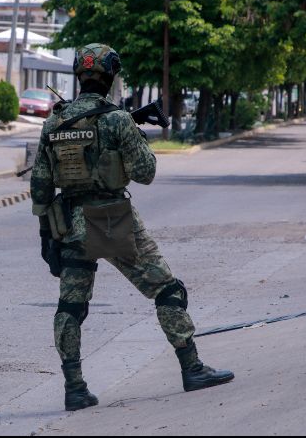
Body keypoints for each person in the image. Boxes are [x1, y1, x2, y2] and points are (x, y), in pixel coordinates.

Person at [30, 43, 234, 412]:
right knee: (167, 290)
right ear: (110, 77)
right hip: (115, 221)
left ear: (79, 76)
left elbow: (40, 189)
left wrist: (48, 237)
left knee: (70, 306)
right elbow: (146, 173)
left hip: (71, 224)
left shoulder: (53, 122)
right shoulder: (117, 119)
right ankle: (192, 368)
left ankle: (75, 388)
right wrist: (133, 135)